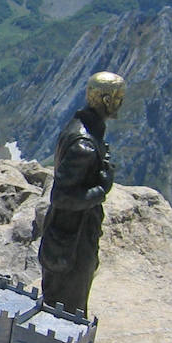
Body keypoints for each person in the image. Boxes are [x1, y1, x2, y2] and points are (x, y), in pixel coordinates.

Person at [38, 71, 123, 316]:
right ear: (106, 100)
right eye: (118, 98)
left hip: (70, 237)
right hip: (71, 243)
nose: (121, 103)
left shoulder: (82, 130)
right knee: (67, 307)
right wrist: (101, 190)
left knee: (67, 303)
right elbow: (61, 197)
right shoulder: (84, 146)